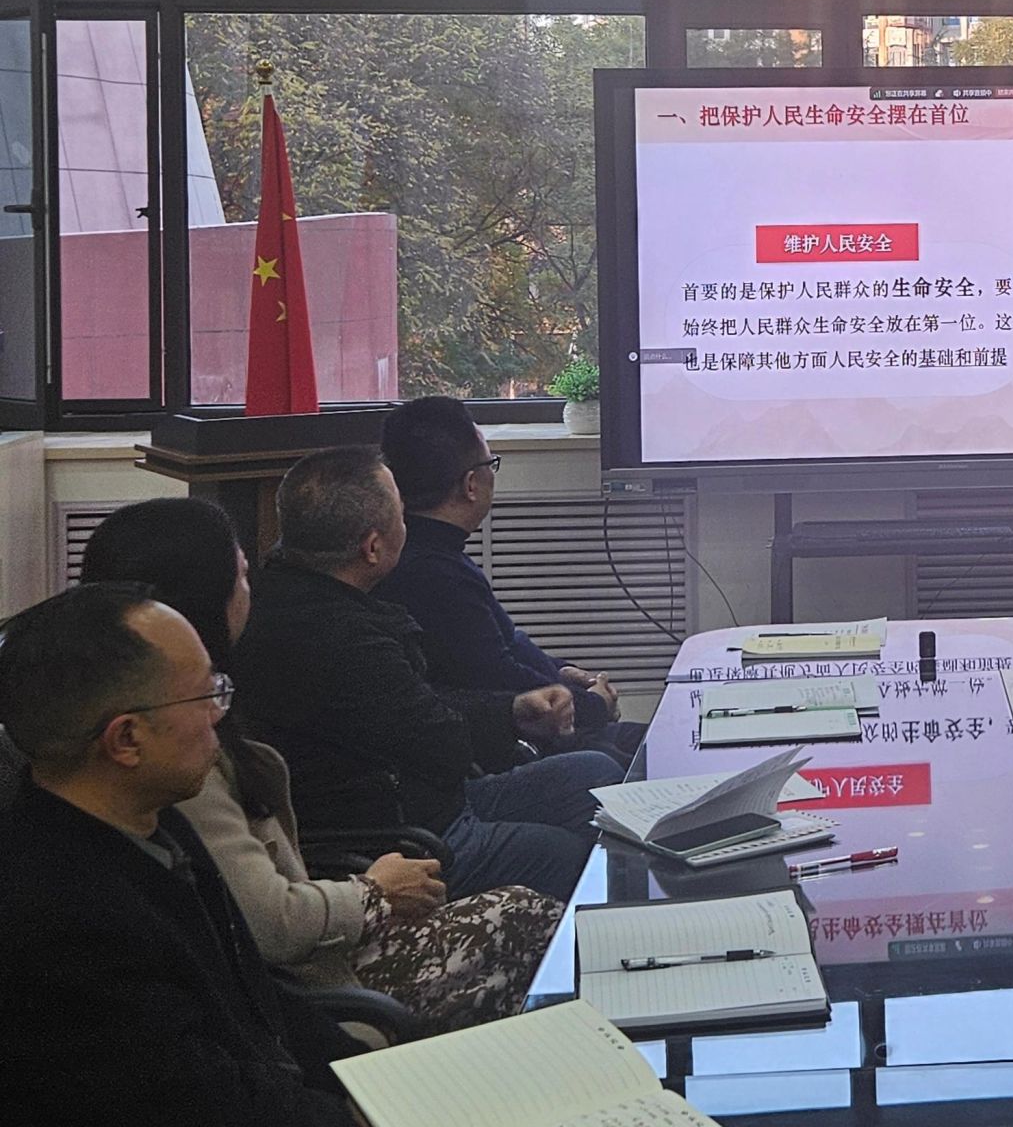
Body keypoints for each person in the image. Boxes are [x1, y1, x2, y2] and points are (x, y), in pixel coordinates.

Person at [82, 497, 563, 1035]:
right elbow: (273, 925)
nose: (252, 591)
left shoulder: (147, 707)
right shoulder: (181, 752)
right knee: (538, 913)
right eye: (242, 577)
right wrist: (374, 891)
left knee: (543, 870)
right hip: (311, 993)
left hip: (330, 913)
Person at [0, 585, 373, 1127]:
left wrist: (369, 1078)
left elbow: (247, 993)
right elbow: (207, 1124)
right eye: (206, 694)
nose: (220, 714)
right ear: (126, 740)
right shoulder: (62, 916)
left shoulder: (151, 820)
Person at [229, 446, 619, 905]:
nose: (408, 524)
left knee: (595, 774)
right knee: (571, 855)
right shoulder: (344, 638)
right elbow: (443, 745)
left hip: (426, 798)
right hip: (406, 836)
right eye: (400, 514)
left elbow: (419, 707)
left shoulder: (285, 591)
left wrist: (510, 711)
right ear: (373, 548)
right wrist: (506, 721)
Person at [375, 397, 644, 769]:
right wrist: (593, 705)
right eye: (491, 464)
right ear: (471, 484)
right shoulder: (433, 574)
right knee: (632, 762)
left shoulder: (430, 554)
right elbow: (498, 677)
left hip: (537, 724)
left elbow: (505, 645)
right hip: (508, 749)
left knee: (655, 742)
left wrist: (562, 672)